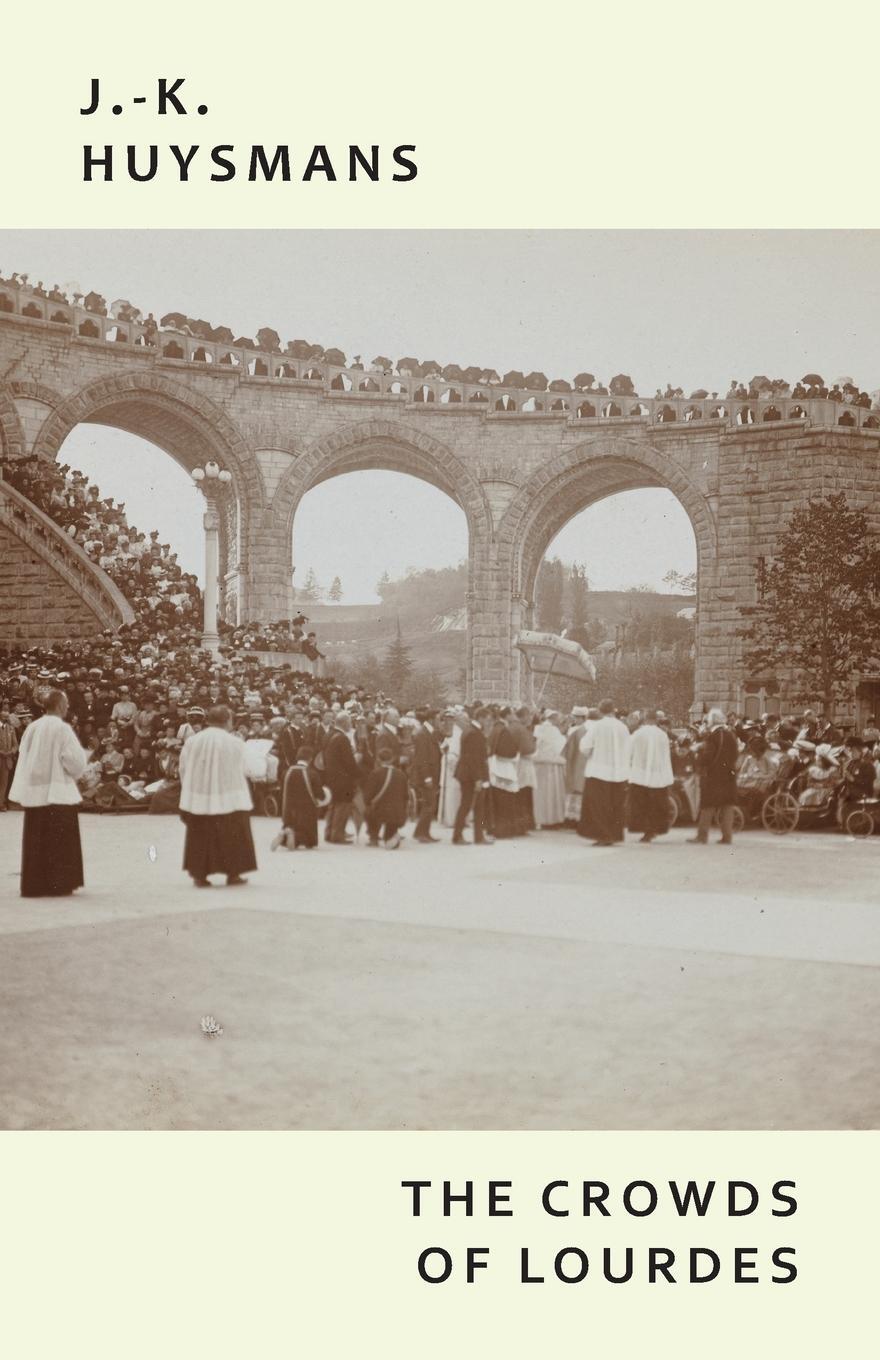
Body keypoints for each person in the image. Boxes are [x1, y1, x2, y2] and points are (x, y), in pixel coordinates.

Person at [8, 688, 87, 897]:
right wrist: (80, 770)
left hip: (35, 793)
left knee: (36, 840)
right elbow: (74, 761)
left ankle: (34, 885)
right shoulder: (62, 729)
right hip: (57, 791)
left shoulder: (32, 727)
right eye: (67, 703)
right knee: (59, 841)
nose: (68, 707)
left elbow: (22, 757)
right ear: (60, 706)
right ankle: (59, 884)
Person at [178, 704, 257, 887]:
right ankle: (233, 873)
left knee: (200, 835)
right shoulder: (235, 742)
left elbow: (183, 768)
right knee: (232, 834)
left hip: (199, 797)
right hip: (230, 797)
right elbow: (249, 768)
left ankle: (200, 875)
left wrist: (189, 789)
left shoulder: (192, 741)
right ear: (227, 721)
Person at [579, 700, 632, 846]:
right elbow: (629, 748)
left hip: (599, 770)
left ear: (600, 710)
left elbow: (585, 747)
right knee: (615, 805)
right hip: (619, 772)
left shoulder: (597, 726)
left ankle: (602, 835)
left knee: (598, 806)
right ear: (613, 711)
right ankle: (615, 834)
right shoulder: (623, 727)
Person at [689, 708, 740, 845]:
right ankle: (727, 837)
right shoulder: (730, 734)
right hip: (728, 775)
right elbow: (735, 754)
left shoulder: (713, 736)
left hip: (713, 776)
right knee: (727, 806)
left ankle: (702, 836)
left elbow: (707, 756)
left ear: (712, 721)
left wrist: (698, 755)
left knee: (707, 806)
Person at [627, 710, 674, 842]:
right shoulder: (662, 735)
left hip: (640, 775)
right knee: (656, 805)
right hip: (658, 776)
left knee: (642, 804)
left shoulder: (638, 734)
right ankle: (653, 829)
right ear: (656, 720)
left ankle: (645, 830)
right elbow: (666, 756)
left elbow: (629, 751)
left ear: (645, 719)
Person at [273, 745, 327, 849]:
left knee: (291, 829)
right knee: (309, 840)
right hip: (307, 812)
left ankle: (284, 835)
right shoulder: (312, 774)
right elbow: (320, 794)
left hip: (288, 810)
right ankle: (295, 836)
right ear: (310, 759)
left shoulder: (286, 772)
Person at [452, 708, 493, 845]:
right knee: (468, 805)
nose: (488, 722)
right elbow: (473, 759)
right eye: (487, 719)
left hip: (468, 774)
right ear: (480, 717)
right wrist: (478, 779)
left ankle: (475, 836)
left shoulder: (470, 731)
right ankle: (464, 836)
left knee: (472, 805)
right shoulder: (474, 733)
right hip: (472, 776)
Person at [322, 711, 359, 843]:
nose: (351, 724)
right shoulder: (342, 738)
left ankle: (329, 832)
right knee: (343, 806)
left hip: (330, 776)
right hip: (343, 779)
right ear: (344, 723)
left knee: (333, 805)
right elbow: (349, 762)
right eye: (349, 722)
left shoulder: (328, 734)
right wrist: (357, 772)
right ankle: (337, 835)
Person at [363, 747, 409, 848]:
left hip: (379, 811)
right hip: (397, 813)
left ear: (379, 760)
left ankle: (374, 838)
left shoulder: (375, 773)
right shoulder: (401, 774)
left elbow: (367, 797)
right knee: (390, 831)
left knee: (369, 811)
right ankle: (390, 835)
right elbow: (406, 796)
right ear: (392, 759)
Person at [410, 708, 442, 842]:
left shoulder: (429, 732)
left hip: (431, 774)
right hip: (426, 776)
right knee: (429, 804)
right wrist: (427, 777)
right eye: (438, 719)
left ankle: (423, 832)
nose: (440, 722)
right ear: (431, 719)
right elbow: (422, 758)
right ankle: (421, 833)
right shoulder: (422, 734)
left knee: (429, 804)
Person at [0, 703, 19, 810]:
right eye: (3, 710)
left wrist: (11, 752)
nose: (6, 713)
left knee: (4, 783)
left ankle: (1, 803)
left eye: (7, 710)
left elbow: (15, 744)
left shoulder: (11, 728)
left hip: (7, 759)